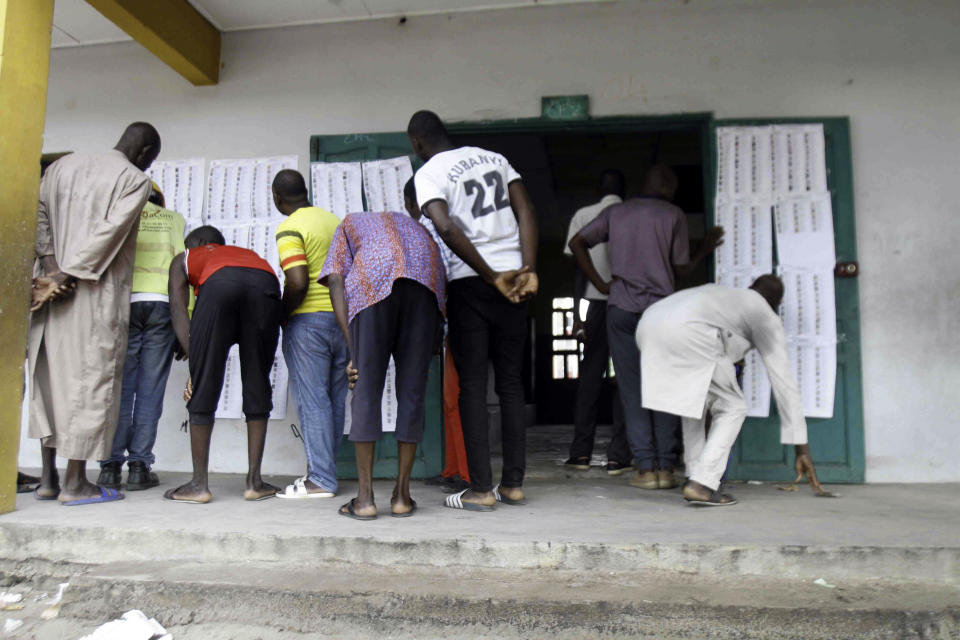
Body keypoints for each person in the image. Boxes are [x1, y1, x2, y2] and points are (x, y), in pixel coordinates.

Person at [408, 110, 538, 512]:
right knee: (512, 384)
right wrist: (528, 269)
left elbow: (446, 227)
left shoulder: (428, 173)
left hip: (471, 283)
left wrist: (488, 275)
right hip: (516, 277)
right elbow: (527, 212)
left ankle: (481, 489)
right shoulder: (494, 158)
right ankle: (513, 484)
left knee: (473, 389)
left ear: (417, 144)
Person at [28, 122, 160, 506]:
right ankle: (75, 483)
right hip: (93, 294)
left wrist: (51, 268)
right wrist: (67, 273)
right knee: (89, 384)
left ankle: (48, 479)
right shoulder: (134, 180)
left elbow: (39, 216)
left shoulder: (60, 167)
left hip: (49, 294)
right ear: (144, 152)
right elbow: (110, 232)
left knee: (50, 380)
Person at [569, 164, 723, 491]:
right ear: (670, 187)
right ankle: (666, 468)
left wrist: (599, 283)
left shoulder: (618, 212)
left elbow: (577, 241)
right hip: (661, 313)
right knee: (665, 387)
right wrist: (704, 250)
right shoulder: (674, 215)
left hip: (621, 308)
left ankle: (645, 468)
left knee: (631, 389)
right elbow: (680, 268)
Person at [636, 276, 825, 505]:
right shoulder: (764, 313)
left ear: (752, 288)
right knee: (733, 407)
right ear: (776, 303)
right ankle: (702, 484)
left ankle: (694, 474)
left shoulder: (727, 297)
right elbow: (784, 383)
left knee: (695, 400)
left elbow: (727, 344)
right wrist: (802, 449)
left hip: (649, 324)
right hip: (689, 332)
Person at [319, 210, 445, 520]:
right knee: (412, 393)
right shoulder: (418, 228)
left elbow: (336, 278)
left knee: (365, 388)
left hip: (374, 283)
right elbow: (441, 276)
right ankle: (402, 496)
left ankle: (364, 500)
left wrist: (354, 350)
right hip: (424, 286)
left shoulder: (350, 222)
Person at [164, 226, 282, 503]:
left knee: (206, 385)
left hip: (220, 287)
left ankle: (198, 485)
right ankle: (254, 482)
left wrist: (197, 366)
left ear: (202, 243)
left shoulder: (186, 256)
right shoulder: (248, 254)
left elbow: (178, 309)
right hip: (266, 286)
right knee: (257, 382)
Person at [97, 184, 185, 492]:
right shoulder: (174, 219)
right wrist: (183, 322)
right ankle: (138, 466)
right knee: (151, 387)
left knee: (120, 387)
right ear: (160, 200)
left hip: (125, 304)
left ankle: (109, 467)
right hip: (162, 304)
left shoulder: (122, 217)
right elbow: (180, 267)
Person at [271, 169, 347, 500]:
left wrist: (283, 315)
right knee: (335, 400)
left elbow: (298, 281)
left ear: (278, 198)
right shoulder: (335, 222)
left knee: (313, 400)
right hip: (343, 320)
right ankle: (325, 473)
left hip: (308, 322)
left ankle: (319, 479)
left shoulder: (290, 228)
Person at [403, 178, 470, 493]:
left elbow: (440, 280)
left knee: (456, 397)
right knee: (449, 398)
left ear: (412, 205)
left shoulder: (429, 232)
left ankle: (468, 474)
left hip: (457, 313)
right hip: (452, 316)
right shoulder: (444, 227)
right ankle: (453, 468)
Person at [563, 169, 631, 476]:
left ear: (597, 188)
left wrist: (577, 316)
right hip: (628, 304)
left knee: (589, 378)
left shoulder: (583, 215)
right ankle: (619, 456)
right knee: (626, 379)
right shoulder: (633, 215)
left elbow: (578, 271)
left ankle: (580, 454)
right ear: (624, 191)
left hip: (592, 303)